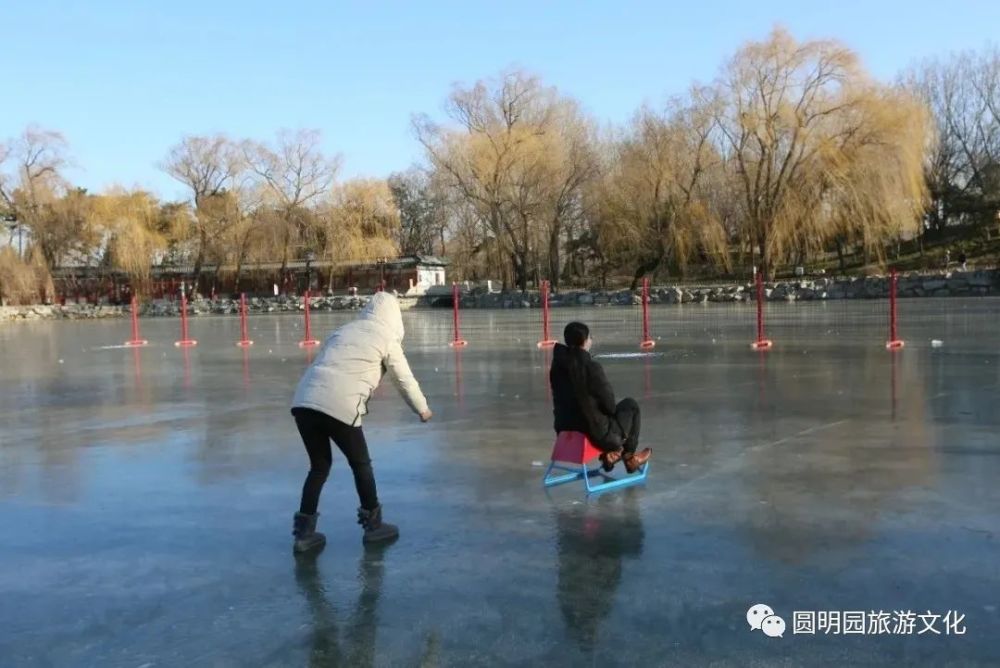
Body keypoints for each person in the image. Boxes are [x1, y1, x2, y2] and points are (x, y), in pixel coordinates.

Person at [290, 292, 432, 552]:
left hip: (304, 402)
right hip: (340, 403)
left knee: (319, 467)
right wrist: (422, 408)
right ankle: (374, 525)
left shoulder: (343, 330)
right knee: (361, 464)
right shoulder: (386, 337)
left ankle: (303, 535)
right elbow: (403, 379)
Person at [549, 321, 651, 473]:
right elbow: (609, 406)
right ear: (584, 342)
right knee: (631, 406)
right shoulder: (591, 367)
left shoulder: (557, 368)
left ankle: (613, 455)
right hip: (595, 434)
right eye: (590, 337)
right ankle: (628, 457)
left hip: (565, 429)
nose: (591, 340)